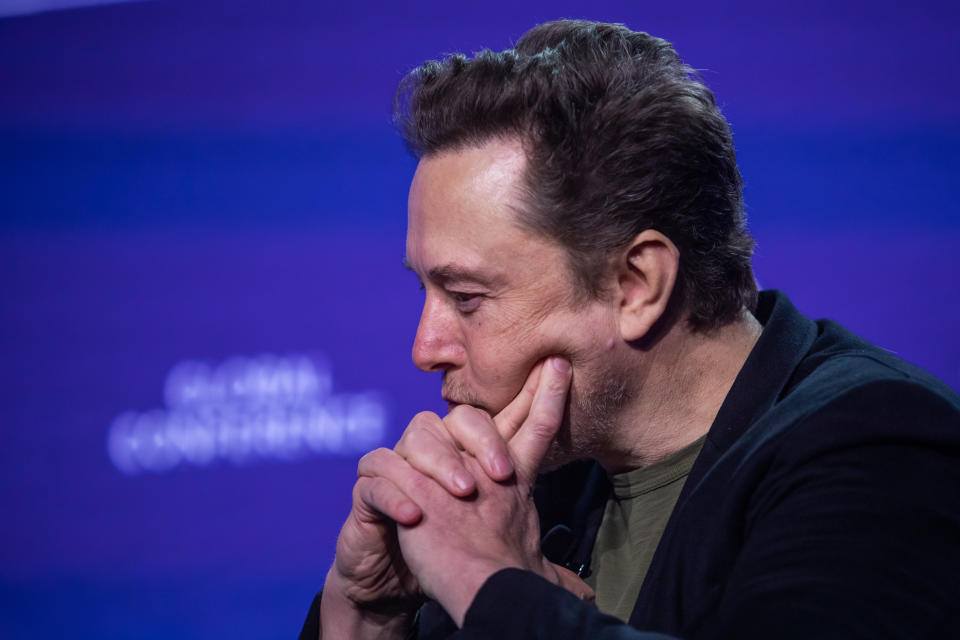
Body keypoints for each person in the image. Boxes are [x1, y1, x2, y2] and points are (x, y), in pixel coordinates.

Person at [300, 19, 960, 640]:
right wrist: (367, 616)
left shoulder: (882, 448)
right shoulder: (532, 477)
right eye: (426, 289)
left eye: (466, 297)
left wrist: (486, 581)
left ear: (636, 285)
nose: (425, 349)